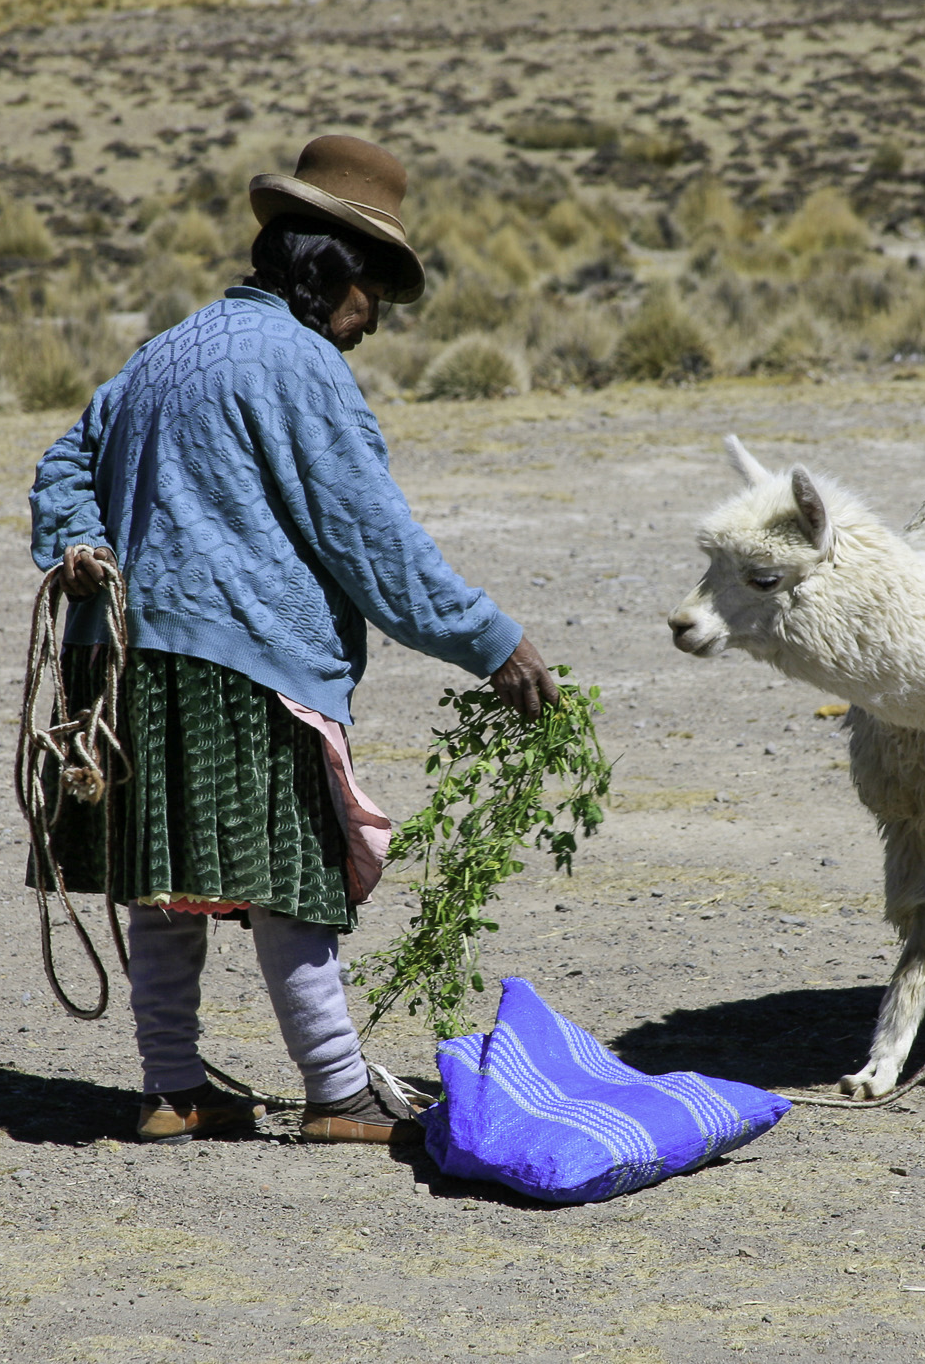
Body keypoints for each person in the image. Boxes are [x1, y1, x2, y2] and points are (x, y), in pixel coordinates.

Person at [28, 135, 557, 1145]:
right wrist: (490, 639)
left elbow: (64, 460)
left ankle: (171, 1090)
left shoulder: (164, 350)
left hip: (126, 659)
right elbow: (369, 535)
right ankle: (337, 1091)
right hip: (239, 658)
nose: (372, 324)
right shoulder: (298, 365)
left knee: (166, 883)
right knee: (288, 882)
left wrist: (81, 543)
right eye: (373, 296)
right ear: (330, 275)